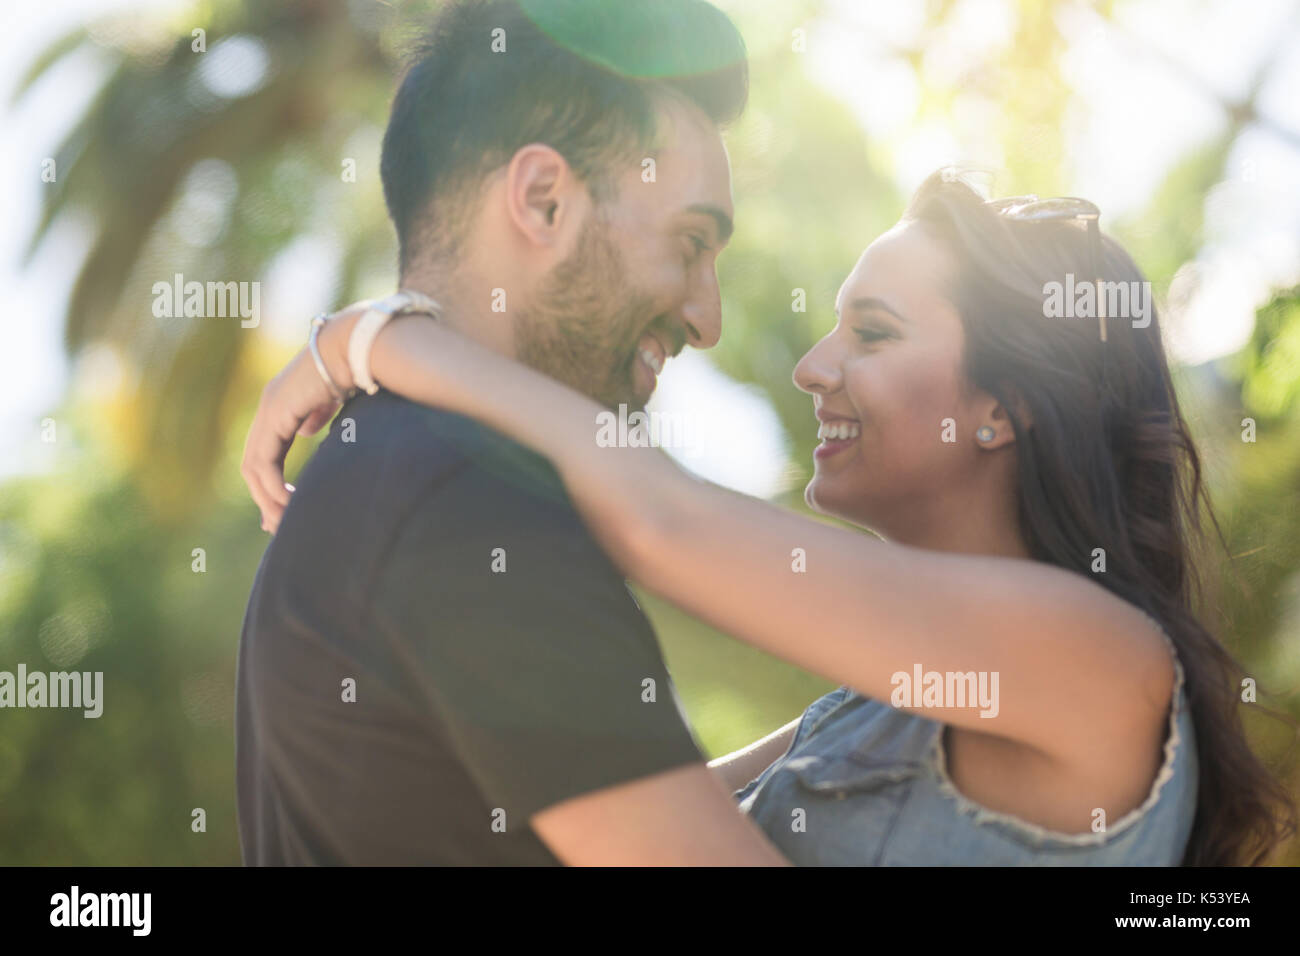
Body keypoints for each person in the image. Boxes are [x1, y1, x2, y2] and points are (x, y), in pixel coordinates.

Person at [244, 171, 1297, 865]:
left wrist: (372, 343)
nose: (812, 368)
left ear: (1001, 408)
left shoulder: (1100, 656)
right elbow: (626, 800)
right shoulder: (873, 707)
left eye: (871, 334)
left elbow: (660, 521)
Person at [236, 0, 793, 865]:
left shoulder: (395, 465)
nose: (706, 316)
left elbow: (614, 819)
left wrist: (854, 728)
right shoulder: (467, 502)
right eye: (690, 243)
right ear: (542, 201)